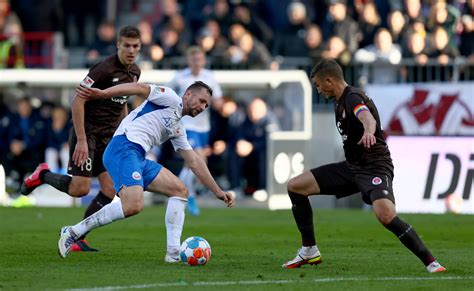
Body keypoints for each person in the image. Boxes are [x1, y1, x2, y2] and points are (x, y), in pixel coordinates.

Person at [281, 59, 446, 274]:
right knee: (295, 186)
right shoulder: (339, 100)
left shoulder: (353, 98)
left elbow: (366, 116)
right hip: (352, 167)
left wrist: (369, 131)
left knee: (386, 215)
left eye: (318, 85)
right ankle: (309, 249)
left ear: (329, 81)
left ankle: (431, 262)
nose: (318, 90)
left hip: (374, 167)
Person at [57, 81, 235, 260]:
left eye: (206, 104)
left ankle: (173, 254)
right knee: (133, 205)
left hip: (138, 157)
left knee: (180, 191)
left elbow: (195, 161)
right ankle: (73, 232)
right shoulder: (171, 97)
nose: (203, 107)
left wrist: (217, 191)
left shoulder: (178, 128)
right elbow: (139, 88)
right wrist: (102, 94)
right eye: (202, 100)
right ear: (188, 94)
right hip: (123, 147)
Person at [20, 25, 142, 252]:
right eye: (126, 45)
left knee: (109, 188)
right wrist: (82, 140)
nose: (131, 50)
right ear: (118, 45)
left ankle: (77, 237)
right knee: (80, 189)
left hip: (109, 136)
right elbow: (77, 100)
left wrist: (124, 131)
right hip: (86, 132)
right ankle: (43, 175)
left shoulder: (135, 71)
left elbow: (122, 101)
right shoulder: (103, 69)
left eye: (135, 46)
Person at [169, 46, 223, 216]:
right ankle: (187, 195)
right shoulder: (179, 78)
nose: (197, 62)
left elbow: (218, 100)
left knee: (200, 164)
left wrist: (223, 107)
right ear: (188, 60)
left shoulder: (210, 77)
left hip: (203, 128)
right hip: (185, 125)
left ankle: (180, 189)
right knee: (195, 159)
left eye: (199, 59)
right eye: (194, 59)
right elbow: (169, 95)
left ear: (204, 60)